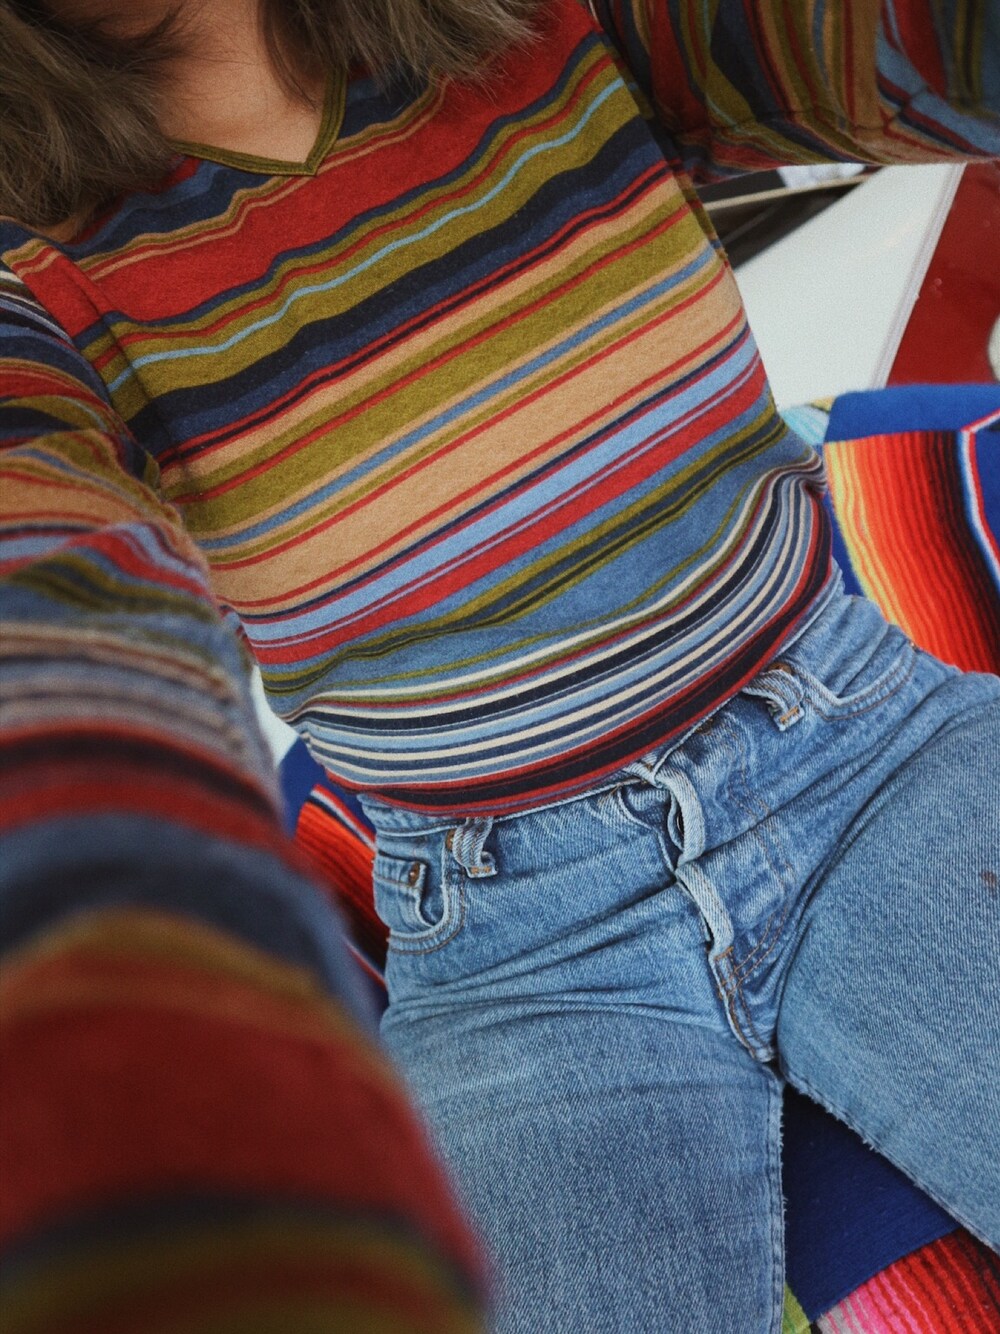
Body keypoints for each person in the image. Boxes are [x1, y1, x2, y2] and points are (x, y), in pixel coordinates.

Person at [1, 1, 998, 1329]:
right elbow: (43, 590)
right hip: (511, 951)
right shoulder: (26, 272)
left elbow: (884, 35)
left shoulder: (553, 16)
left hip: (861, 749)